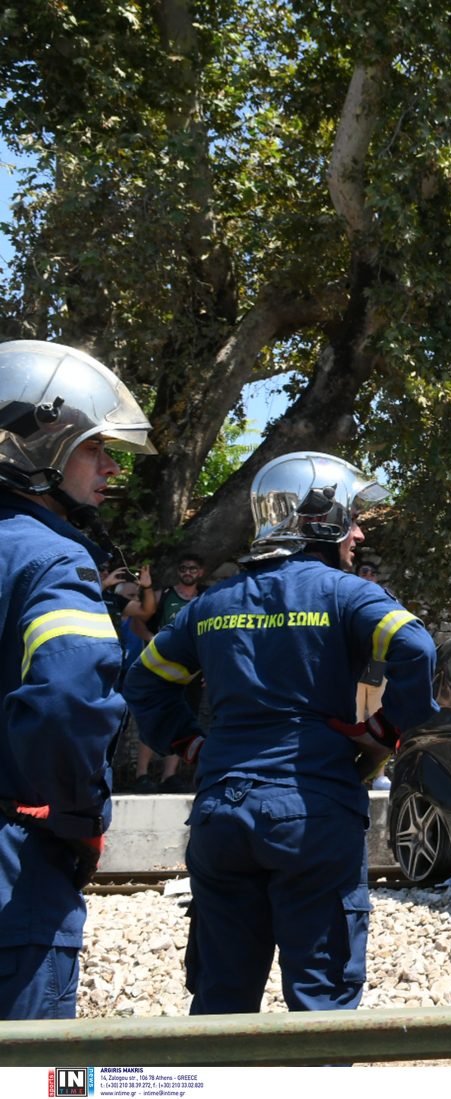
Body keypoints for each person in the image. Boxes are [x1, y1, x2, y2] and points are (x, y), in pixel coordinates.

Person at [123, 451, 437, 1014]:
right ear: (321, 520)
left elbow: (144, 681)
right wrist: (382, 732)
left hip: (222, 814)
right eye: (352, 519)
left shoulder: (210, 606)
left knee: (221, 1000)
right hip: (312, 813)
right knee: (321, 1004)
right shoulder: (346, 594)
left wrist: (190, 744)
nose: (359, 534)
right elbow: (416, 647)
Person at [0, 339, 155, 1019]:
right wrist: (79, 821)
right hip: (15, 865)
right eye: (96, 448)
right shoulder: (55, 561)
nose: (112, 468)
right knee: (36, 1070)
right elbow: (66, 700)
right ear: (42, 448)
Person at [131, 554, 206, 792]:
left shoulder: (207, 598)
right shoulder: (163, 595)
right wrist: (152, 640)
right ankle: (142, 774)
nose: (188, 572)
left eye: (193, 568)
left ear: (201, 572)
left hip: (192, 670)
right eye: (183, 568)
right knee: (154, 717)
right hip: (160, 667)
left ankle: (169, 776)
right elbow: (138, 622)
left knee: (184, 719)